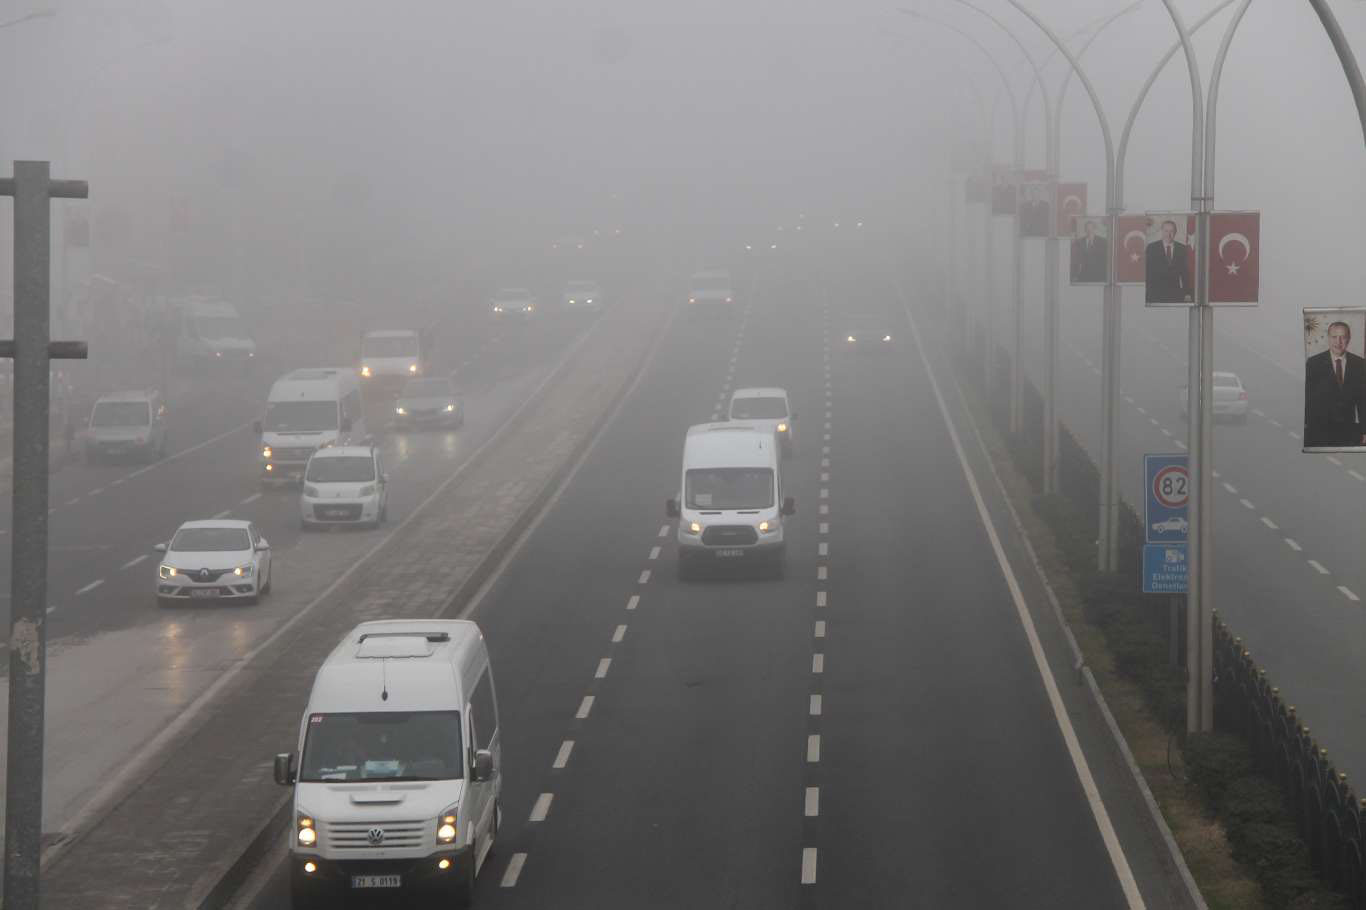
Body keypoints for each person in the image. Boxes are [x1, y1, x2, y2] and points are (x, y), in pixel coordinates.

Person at [1305, 321, 1366, 447]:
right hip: (1319, 432)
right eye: (1334, 337)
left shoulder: (1360, 364)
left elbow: (1363, 401)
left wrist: (1365, 431)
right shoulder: (1313, 363)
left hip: (1349, 433)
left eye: (1343, 337)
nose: (1338, 342)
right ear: (1328, 338)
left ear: (1349, 339)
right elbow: (1307, 399)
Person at [1145, 219, 1192, 303]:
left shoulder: (1182, 249)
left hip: (1175, 294)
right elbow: (1147, 273)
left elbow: (1185, 273)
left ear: (1175, 232)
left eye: (1171, 231)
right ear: (1161, 231)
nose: (1168, 234)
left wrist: (1187, 293)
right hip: (1155, 294)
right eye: (1166, 231)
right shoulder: (1152, 248)